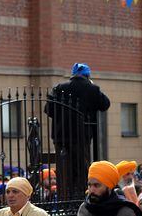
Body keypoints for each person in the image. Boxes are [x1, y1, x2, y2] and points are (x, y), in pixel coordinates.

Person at [45, 63, 110, 198]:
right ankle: (81, 197)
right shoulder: (92, 89)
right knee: (81, 169)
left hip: (61, 137)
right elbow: (105, 104)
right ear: (87, 75)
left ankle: (65, 198)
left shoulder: (59, 88)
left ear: (72, 75)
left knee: (64, 170)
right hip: (82, 136)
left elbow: (48, 110)